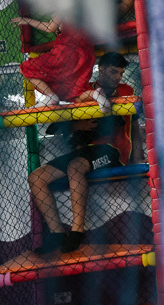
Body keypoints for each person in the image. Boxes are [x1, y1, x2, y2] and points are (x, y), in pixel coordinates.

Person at [28, 52, 143, 255]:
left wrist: (137, 157)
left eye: (120, 73)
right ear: (101, 69)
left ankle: (77, 231)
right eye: (113, 72)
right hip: (84, 150)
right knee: (36, 177)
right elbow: (58, 126)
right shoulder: (84, 90)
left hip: (112, 150)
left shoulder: (126, 90)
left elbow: (133, 125)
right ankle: (56, 233)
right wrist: (78, 126)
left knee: (75, 167)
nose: (118, 77)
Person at [13, 16, 97, 108]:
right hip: (85, 56)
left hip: (65, 52)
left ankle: (50, 96)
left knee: (25, 68)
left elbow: (49, 28)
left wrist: (26, 20)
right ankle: (97, 95)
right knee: (76, 92)